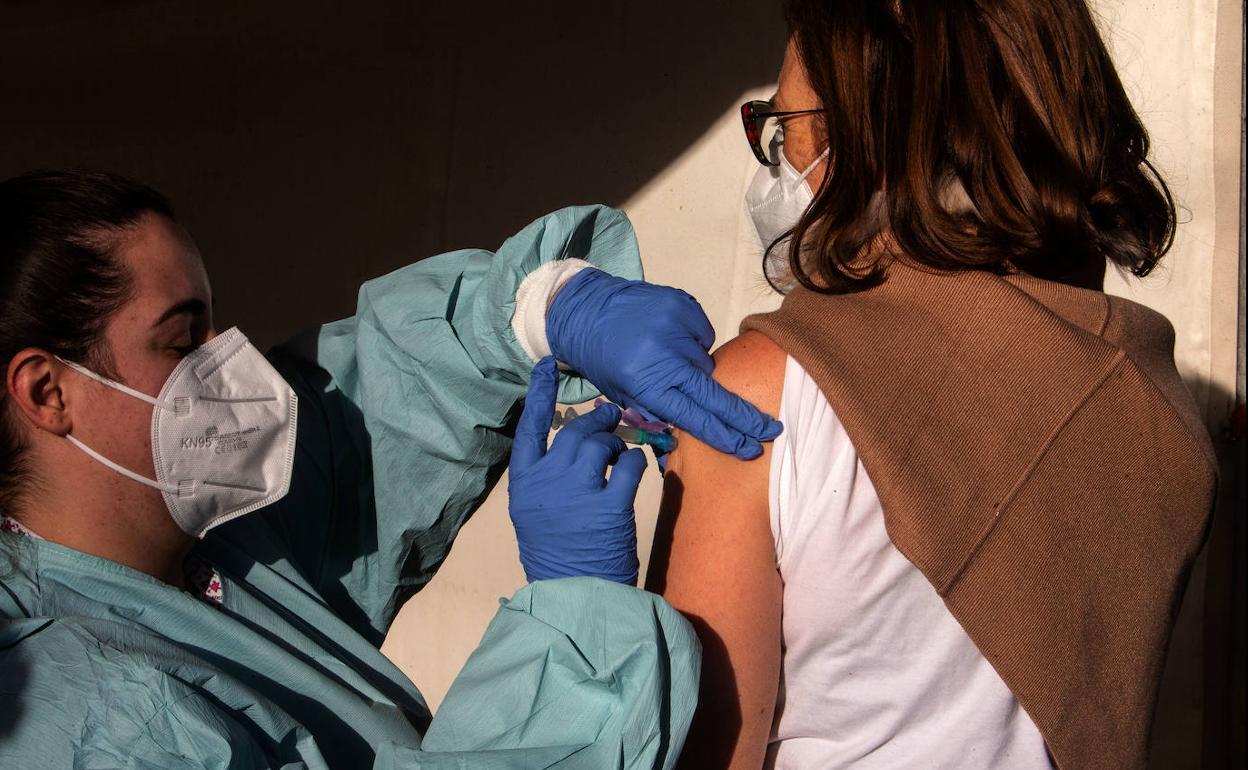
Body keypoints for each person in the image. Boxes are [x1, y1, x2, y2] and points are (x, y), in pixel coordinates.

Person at [0, 169, 782, 767]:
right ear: (46, 392)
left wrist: (543, 310)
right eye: (182, 340)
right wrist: (574, 632)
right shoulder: (78, 716)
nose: (228, 365)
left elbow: (373, 410)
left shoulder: (215, 550)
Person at [647, 1, 1217, 768]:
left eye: (786, 129)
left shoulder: (752, 398)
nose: (777, 161)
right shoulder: (1150, 398)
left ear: (878, 141)